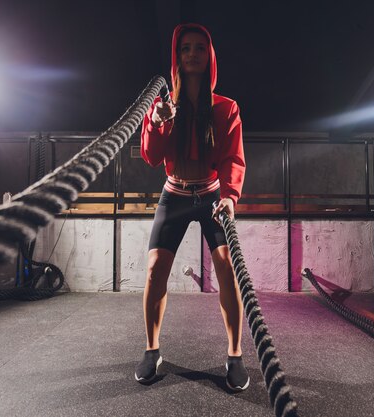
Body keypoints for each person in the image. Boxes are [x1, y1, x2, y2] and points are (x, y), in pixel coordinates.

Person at [135, 23, 248, 392]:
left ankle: (234, 355)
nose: (193, 53)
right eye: (186, 48)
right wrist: (156, 122)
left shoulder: (226, 108)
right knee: (155, 268)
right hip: (175, 194)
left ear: (209, 56)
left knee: (227, 267)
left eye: (200, 47)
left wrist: (230, 197)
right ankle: (152, 350)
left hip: (213, 195)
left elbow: (233, 158)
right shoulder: (164, 105)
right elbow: (151, 158)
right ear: (178, 56)